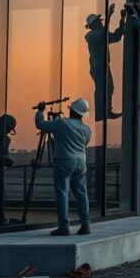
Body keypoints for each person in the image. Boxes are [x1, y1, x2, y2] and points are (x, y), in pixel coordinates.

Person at [35, 97, 92, 236]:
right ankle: (86, 224)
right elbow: (84, 144)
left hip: (64, 160)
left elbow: (41, 125)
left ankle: (64, 226)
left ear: (71, 110)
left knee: (62, 193)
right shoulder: (87, 129)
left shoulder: (62, 124)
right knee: (81, 193)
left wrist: (40, 111)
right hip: (81, 162)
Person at [85, 4, 125, 121]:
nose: (101, 22)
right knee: (101, 88)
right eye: (99, 21)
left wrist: (122, 20)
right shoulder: (91, 35)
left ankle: (107, 111)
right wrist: (109, 15)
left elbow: (116, 37)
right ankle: (100, 113)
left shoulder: (100, 34)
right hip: (97, 66)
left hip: (103, 65)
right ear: (94, 25)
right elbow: (103, 34)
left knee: (109, 87)